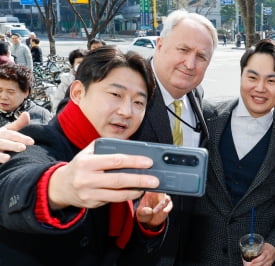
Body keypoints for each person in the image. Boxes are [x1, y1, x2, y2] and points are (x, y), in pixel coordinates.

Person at [0, 46, 173, 265]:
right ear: (78, 93)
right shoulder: (34, 140)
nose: (126, 111)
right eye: (115, 94)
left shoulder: (129, 160)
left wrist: (147, 225)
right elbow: (14, 183)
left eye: (139, 102)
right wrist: (59, 187)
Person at [181, 39, 275, 265]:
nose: (260, 88)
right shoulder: (205, 116)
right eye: (252, 77)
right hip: (197, 253)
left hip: (255, 258)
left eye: (272, 80)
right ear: (241, 77)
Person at [128, 9, 218, 265]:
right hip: (134, 247)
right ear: (160, 45)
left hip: (184, 244)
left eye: (201, 56)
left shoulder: (195, 94)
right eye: (183, 50)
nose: (190, 64)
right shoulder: (125, 89)